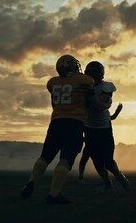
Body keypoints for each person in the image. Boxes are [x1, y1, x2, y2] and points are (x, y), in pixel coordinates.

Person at [21, 54, 97, 204]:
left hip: (56, 122)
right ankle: (54, 194)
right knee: (66, 158)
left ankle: (31, 182)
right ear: (71, 67)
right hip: (74, 122)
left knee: (45, 156)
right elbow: (89, 85)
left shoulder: (53, 82)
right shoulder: (83, 80)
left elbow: (55, 104)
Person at [80, 61, 130, 192]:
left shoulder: (106, 87)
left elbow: (101, 107)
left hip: (104, 128)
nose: (91, 76)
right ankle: (108, 182)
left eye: (93, 74)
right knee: (97, 162)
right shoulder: (83, 87)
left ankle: (119, 176)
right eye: (89, 74)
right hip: (89, 127)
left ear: (100, 75)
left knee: (108, 161)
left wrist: (89, 95)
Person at [78, 103, 122, 181]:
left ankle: (114, 178)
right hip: (91, 143)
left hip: (94, 142)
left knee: (104, 162)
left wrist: (117, 111)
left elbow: (111, 117)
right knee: (94, 162)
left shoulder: (92, 117)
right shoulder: (86, 118)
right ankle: (109, 181)